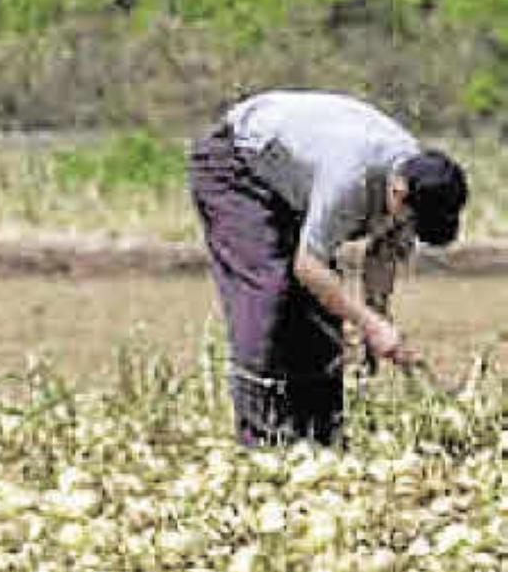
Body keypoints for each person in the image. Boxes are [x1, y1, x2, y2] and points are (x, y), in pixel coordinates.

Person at [189, 90, 468, 446]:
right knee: (269, 292)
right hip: (237, 166)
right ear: (398, 194)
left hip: (289, 179)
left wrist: (377, 321)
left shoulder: (415, 175)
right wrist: (368, 322)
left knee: (320, 308)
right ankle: (259, 439)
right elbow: (308, 266)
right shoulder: (349, 178)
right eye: (413, 221)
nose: (411, 231)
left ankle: (321, 434)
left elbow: (382, 253)